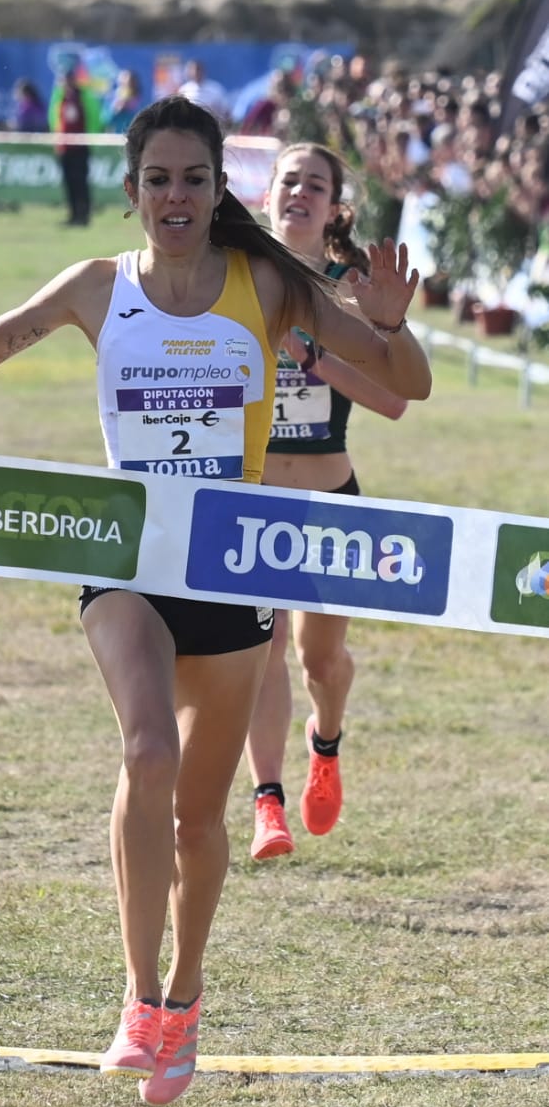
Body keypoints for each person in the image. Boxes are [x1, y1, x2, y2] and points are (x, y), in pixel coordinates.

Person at [0, 96, 431, 1105]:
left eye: (194, 179)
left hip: (231, 566)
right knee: (147, 751)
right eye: (158, 179)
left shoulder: (266, 284)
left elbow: (403, 381)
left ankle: (184, 1005)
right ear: (131, 192)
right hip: (124, 553)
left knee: (200, 818)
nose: (175, 195)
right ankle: (134, 996)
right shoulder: (95, 287)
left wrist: (386, 320)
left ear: (218, 193)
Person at [244, 144, 410, 862]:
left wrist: (315, 357)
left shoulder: (353, 290)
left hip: (331, 498)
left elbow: (396, 400)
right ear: (267, 195)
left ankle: (327, 743)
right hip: (253, 498)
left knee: (321, 659)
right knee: (263, 647)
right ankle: (267, 805)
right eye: (289, 181)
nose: (300, 194)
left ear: (335, 207)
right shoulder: (237, 276)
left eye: (316, 185)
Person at [50, 63, 102, 227]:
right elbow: (54, 118)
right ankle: (73, 215)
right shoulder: (59, 97)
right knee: (69, 182)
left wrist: (90, 138)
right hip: (65, 147)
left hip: (81, 146)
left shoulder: (84, 95)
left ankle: (84, 215)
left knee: (81, 182)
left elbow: (93, 117)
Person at [105, 70, 143, 134]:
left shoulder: (137, 106)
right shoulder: (111, 100)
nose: (123, 88)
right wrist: (115, 109)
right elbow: (104, 122)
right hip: (113, 140)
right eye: (121, 84)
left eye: (127, 85)